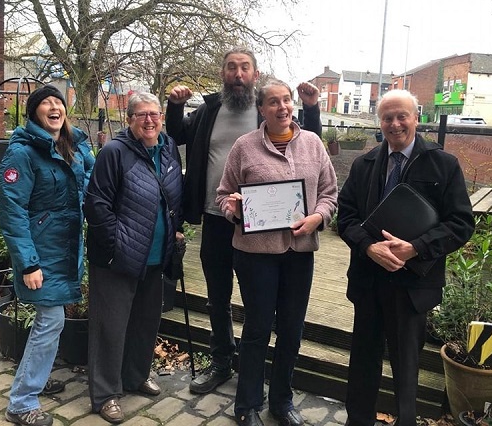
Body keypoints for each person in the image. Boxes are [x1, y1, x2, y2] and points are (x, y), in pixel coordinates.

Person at [165, 46, 323, 395]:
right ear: (223, 74)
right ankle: (222, 361)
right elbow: (176, 135)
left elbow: (306, 145)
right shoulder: (209, 111)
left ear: (255, 74)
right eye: (231, 68)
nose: (238, 74)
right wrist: (174, 106)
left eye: (245, 68)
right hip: (215, 216)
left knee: (261, 301)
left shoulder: (267, 110)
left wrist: (311, 108)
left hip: (262, 225)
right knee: (217, 296)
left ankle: (259, 369)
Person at [336, 89, 475, 426]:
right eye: (387, 117)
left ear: (416, 118)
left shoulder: (443, 164)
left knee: (406, 368)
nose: (395, 124)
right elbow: (346, 218)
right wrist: (370, 247)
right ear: (379, 122)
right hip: (369, 279)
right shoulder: (364, 164)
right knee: (363, 364)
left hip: (413, 285)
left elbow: (461, 223)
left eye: (402, 116)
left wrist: (416, 247)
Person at [216, 78, 338, 426]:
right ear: (261, 109)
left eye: (286, 101)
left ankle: (282, 402)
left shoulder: (313, 144)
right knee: (256, 328)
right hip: (255, 254)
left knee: (291, 329)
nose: (282, 107)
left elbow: (330, 192)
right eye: (273, 102)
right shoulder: (244, 146)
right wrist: (234, 208)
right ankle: (247, 405)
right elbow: (224, 194)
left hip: (299, 252)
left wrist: (318, 217)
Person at [0, 84, 95, 426]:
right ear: (34, 113)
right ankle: (21, 402)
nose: (54, 107)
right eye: (45, 103)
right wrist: (28, 263)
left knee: (50, 323)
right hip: (41, 254)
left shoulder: (76, 147)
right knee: (51, 321)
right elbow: (12, 210)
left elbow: (94, 187)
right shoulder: (21, 154)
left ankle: (34, 381)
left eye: (59, 102)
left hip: (67, 250)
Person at [84, 92, 184, 424]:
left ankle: (136, 375)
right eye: (141, 115)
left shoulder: (169, 149)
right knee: (110, 327)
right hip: (117, 258)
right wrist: (117, 243)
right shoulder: (114, 152)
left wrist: (175, 232)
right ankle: (105, 394)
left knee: (145, 322)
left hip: (155, 258)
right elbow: (96, 204)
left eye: (154, 114)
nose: (150, 120)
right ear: (129, 120)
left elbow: (172, 197)